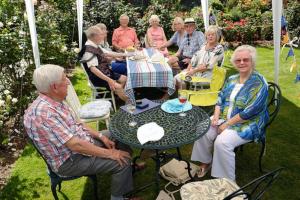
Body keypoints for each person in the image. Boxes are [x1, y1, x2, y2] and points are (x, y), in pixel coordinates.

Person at [23, 64, 136, 200]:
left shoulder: (54, 100)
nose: (69, 82)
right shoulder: (44, 114)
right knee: (121, 162)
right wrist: (111, 153)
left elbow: (77, 123)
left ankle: (129, 169)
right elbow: (75, 145)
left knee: (117, 133)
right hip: (69, 161)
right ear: (54, 87)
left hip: (81, 143)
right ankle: (119, 197)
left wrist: (101, 136)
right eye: (65, 79)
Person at [191, 45, 269, 181]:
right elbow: (220, 98)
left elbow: (250, 112)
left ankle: (226, 181)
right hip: (224, 117)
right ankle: (205, 162)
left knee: (222, 142)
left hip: (249, 123)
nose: (242, 63)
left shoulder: (259, 83)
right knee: (203, 128)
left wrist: (226, 124)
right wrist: (215, 117)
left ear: (252, 61)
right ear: (234, 63)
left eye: (246, 59)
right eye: (238, 60)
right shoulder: (232, 78)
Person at [81, 25, 128, 101]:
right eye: (101, 35)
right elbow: (93, 70)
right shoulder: (88, 51)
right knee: (119, 87)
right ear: (95, 36)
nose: (103, 37)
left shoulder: (94, 45)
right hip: (98, 77)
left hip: (106, 71)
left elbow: (108, 53)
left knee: (125, 78)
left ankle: (118, 96)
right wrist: (109, 80)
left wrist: (126, 54)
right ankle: (130, 104)